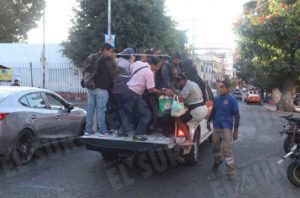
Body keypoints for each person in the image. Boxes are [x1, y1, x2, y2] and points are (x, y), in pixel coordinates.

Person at [118, 56, 172, 141]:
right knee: (146, 114)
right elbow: (151, 89)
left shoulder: (138, 63)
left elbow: (131, 66)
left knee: (130, 112)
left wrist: (133, 58)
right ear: (153, 64)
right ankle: (138, 134)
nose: (158, 68)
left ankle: (122, 131)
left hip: (126, 90)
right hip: (134, 93)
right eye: (157, 66)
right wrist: (163, 92)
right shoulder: (149, 72)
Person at [209, 80, 240, 180]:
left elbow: (237, 115)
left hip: (227, 128)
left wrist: (236, 130)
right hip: (216, 127)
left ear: (227, 88)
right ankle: (217, 162)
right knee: (215, 147)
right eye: (219, 87)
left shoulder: (232, 100)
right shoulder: (216, 98)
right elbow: (213, 112)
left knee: (227, 151)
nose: (220, 89)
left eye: (222, 87)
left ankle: (230, 171)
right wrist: (207, 122)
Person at [84, 43, 116, 136]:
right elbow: (114, 72)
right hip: (101, 88)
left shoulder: (91, 57)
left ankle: (87, 131)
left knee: (90, 109)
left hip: (90, 87)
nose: (111, 53)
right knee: (101, 110)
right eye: (110, 51)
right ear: (105, 50)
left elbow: (84, 70)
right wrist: (113, 59)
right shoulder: (107, 59)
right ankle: (103, 131)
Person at [174, 73, 208, 145]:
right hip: (201, 108)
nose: (178, 83)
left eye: (178, 81)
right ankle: (188, 137)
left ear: (183, 80)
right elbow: (183, 95)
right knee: (185, 120)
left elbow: (180, 99)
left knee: (178, 119)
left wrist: (171, 94)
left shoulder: (187, 86)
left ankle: (189, 140)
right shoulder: (193, 83)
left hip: (197, 111)